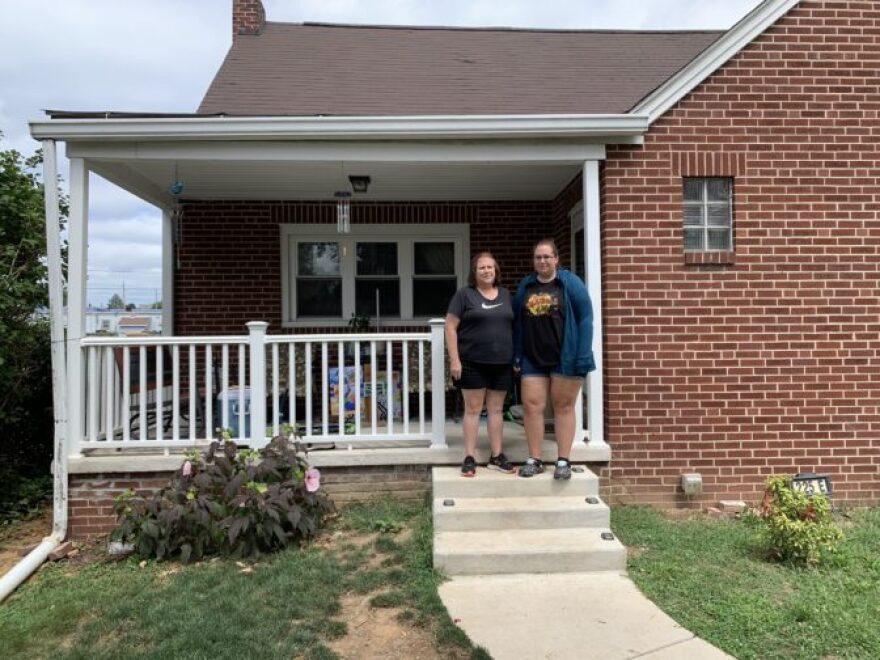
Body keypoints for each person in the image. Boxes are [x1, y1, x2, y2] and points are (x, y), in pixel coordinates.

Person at [513, 238, 595, 480]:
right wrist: (517, 353)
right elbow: (518, 321)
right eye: (538, 257)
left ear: (557, 259)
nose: (542, 261)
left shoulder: (570, 283)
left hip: (566, 356)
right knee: (532, 407)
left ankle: (563, 460)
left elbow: (585, 319)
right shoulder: (526, 286)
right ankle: (535, 459)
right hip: (533, 357)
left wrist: (582, 354)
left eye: (547, 256)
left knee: (563, 406)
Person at [445, 252, 515, 477]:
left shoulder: (505, 294)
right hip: (472, 363)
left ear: (496, 271)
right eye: (482, 268)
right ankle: (469, 457)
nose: (487, 271)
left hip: (502, 363)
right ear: (474, 273)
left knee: (496, 410)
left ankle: (496, 456)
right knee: (473, 410)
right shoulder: (464, 295)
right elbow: (450, 326)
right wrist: (455, 359)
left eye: (490, 267)